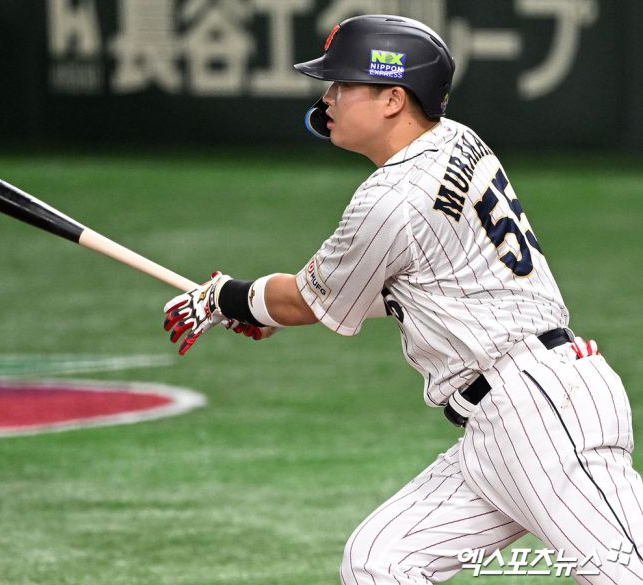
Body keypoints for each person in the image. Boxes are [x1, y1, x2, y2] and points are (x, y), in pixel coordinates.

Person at [162, 14, 643, 584]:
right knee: (380, 559)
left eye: (343, 84)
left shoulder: (391, 199)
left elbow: (308, 300)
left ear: (393, 99)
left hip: (539, 416)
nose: (328, 97)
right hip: (510, 416)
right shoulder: (458, 140)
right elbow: (409, 285)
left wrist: (227, 298)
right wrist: (268, 311)